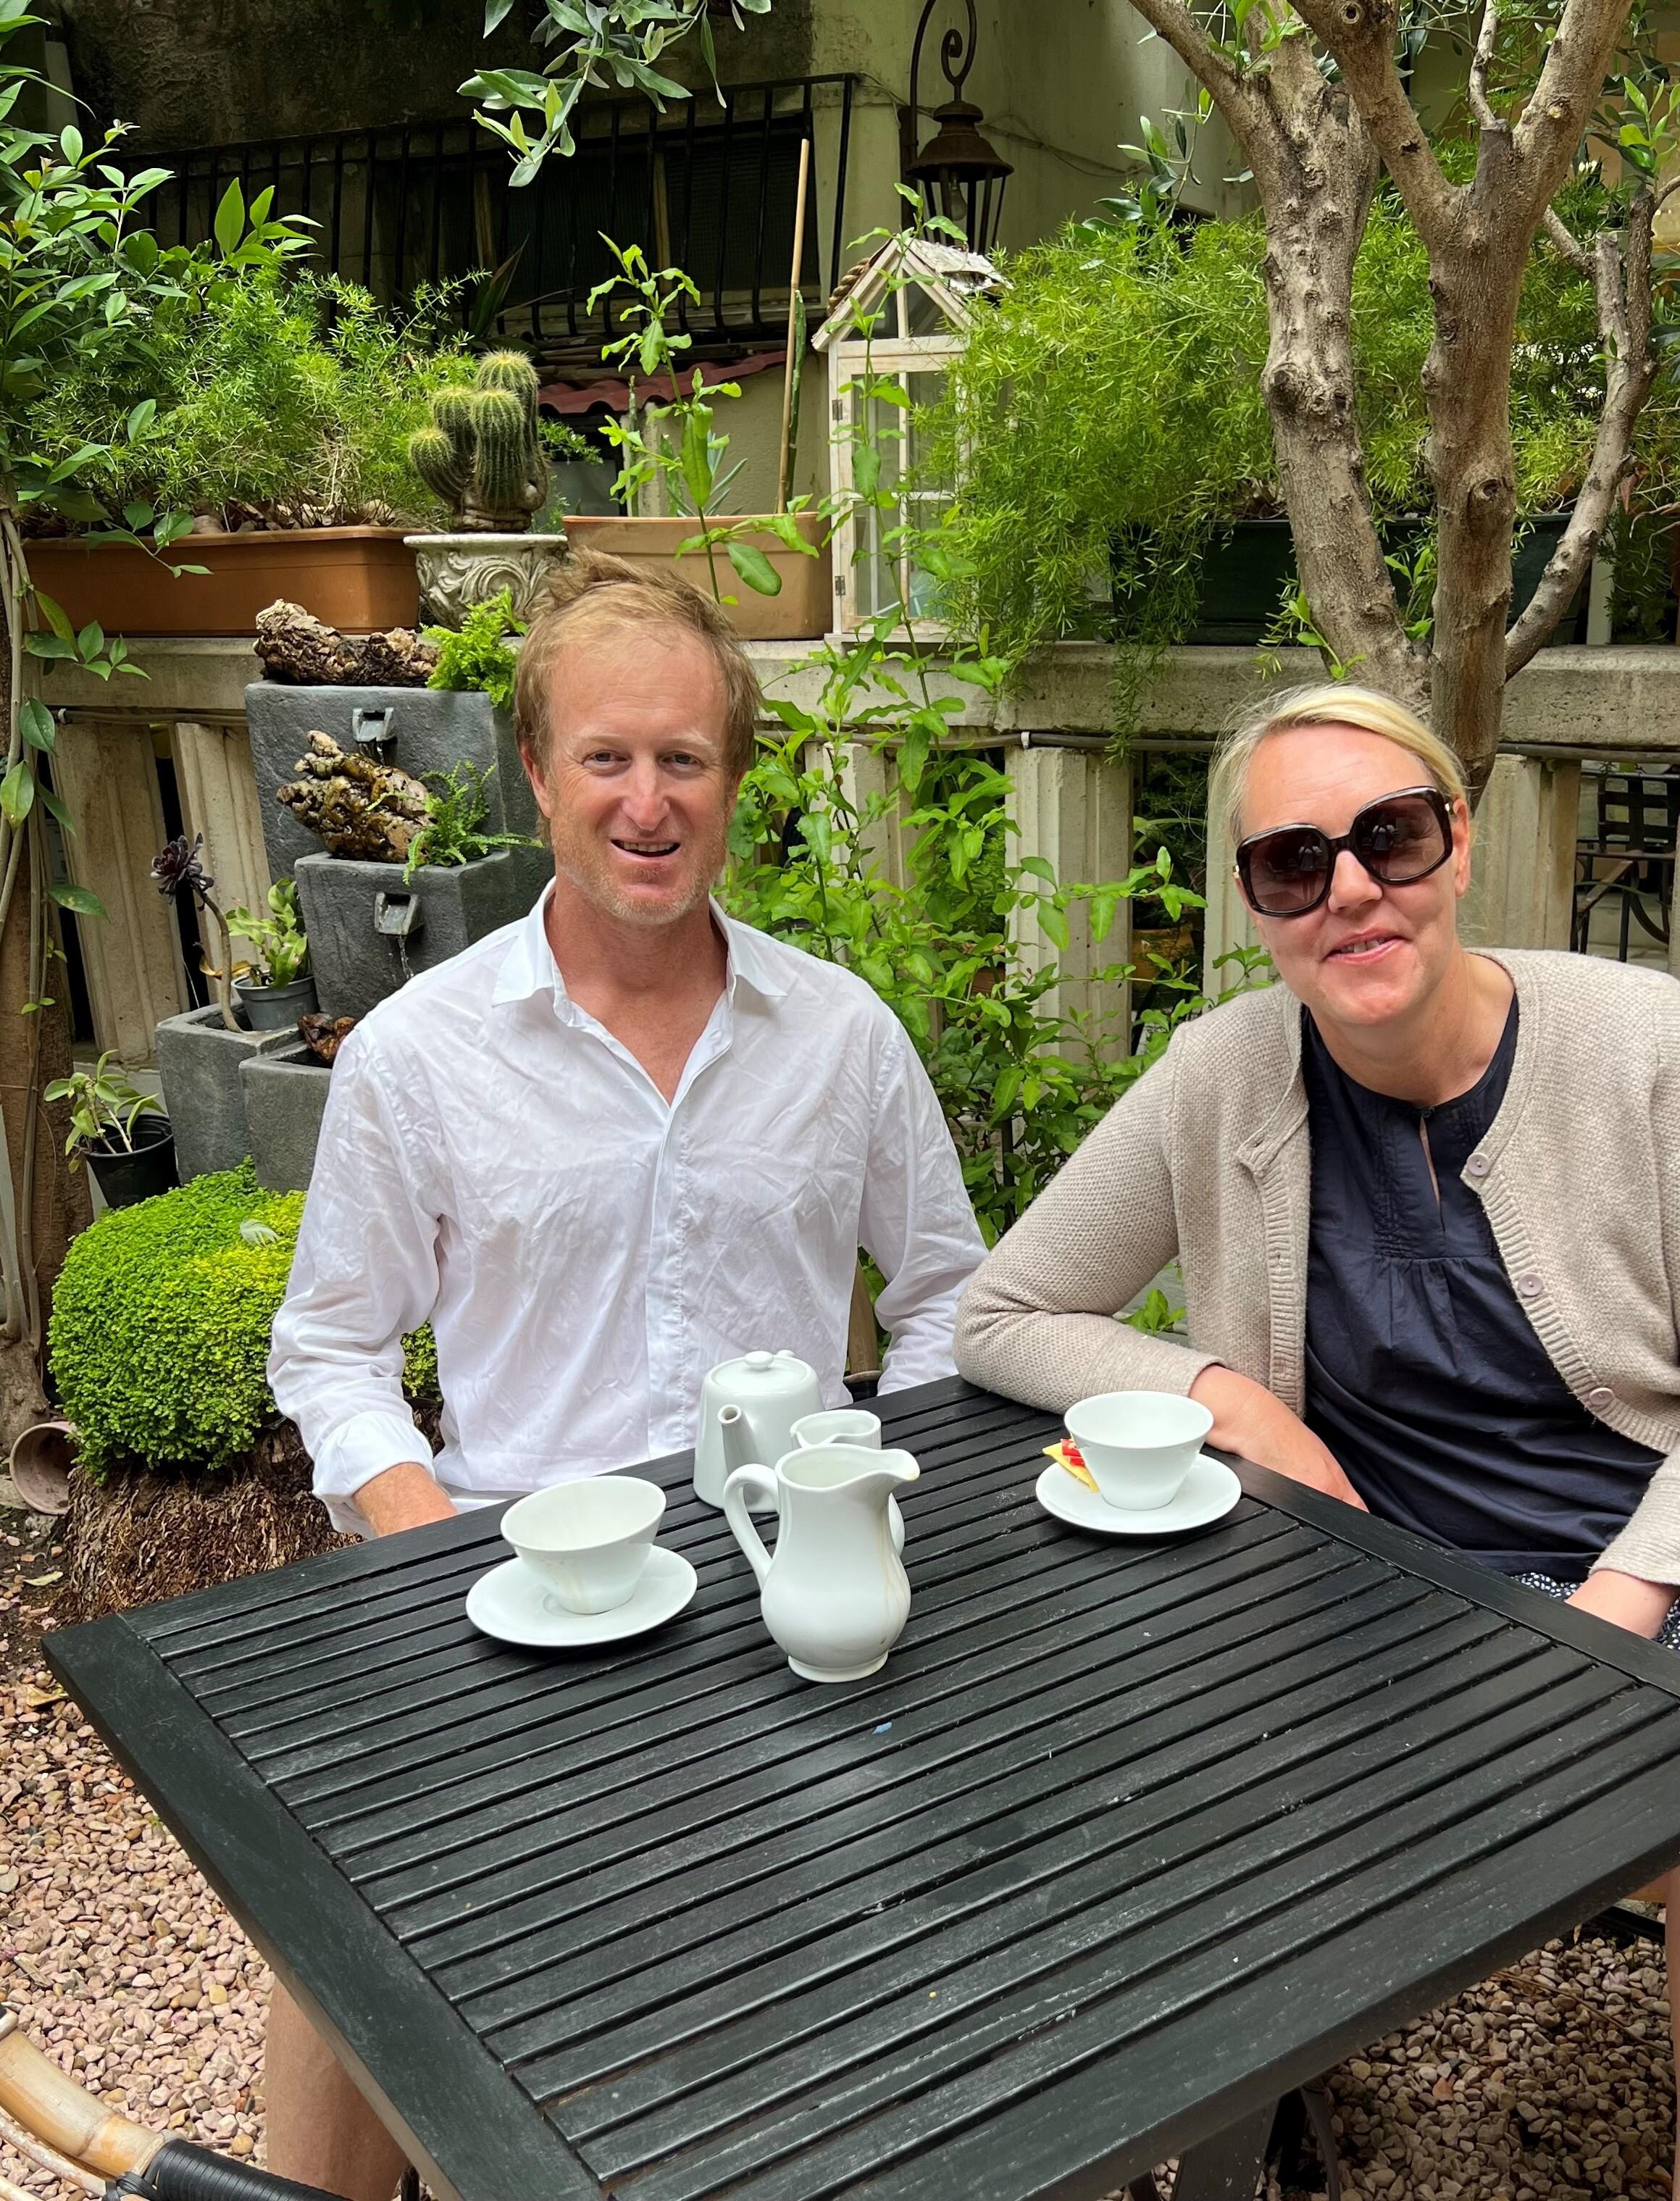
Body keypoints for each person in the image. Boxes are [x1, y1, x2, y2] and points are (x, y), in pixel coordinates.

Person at [956, 683, 1680, 2201]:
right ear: (1254, 900)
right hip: (1452, 1599)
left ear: (1456, 843)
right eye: (1291, 862)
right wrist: (1227, 1395)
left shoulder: (1630, 1037)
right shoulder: (1222, 1072)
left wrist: (1611, 1616)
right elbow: (1002, 1315)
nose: (1349, 886)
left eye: (1388, 834)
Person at [263, 551, 985, 2197]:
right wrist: (414, 1519)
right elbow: (332, 1341)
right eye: (606, 756)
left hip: (788, 1597)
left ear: (734, 780)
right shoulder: (416, 1057)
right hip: (515, 1582)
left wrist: (881, 1501)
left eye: (683, 758)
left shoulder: (843, 1036)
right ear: (533, 773)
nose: (646, 802)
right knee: (357, 1926)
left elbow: (946, 1292)